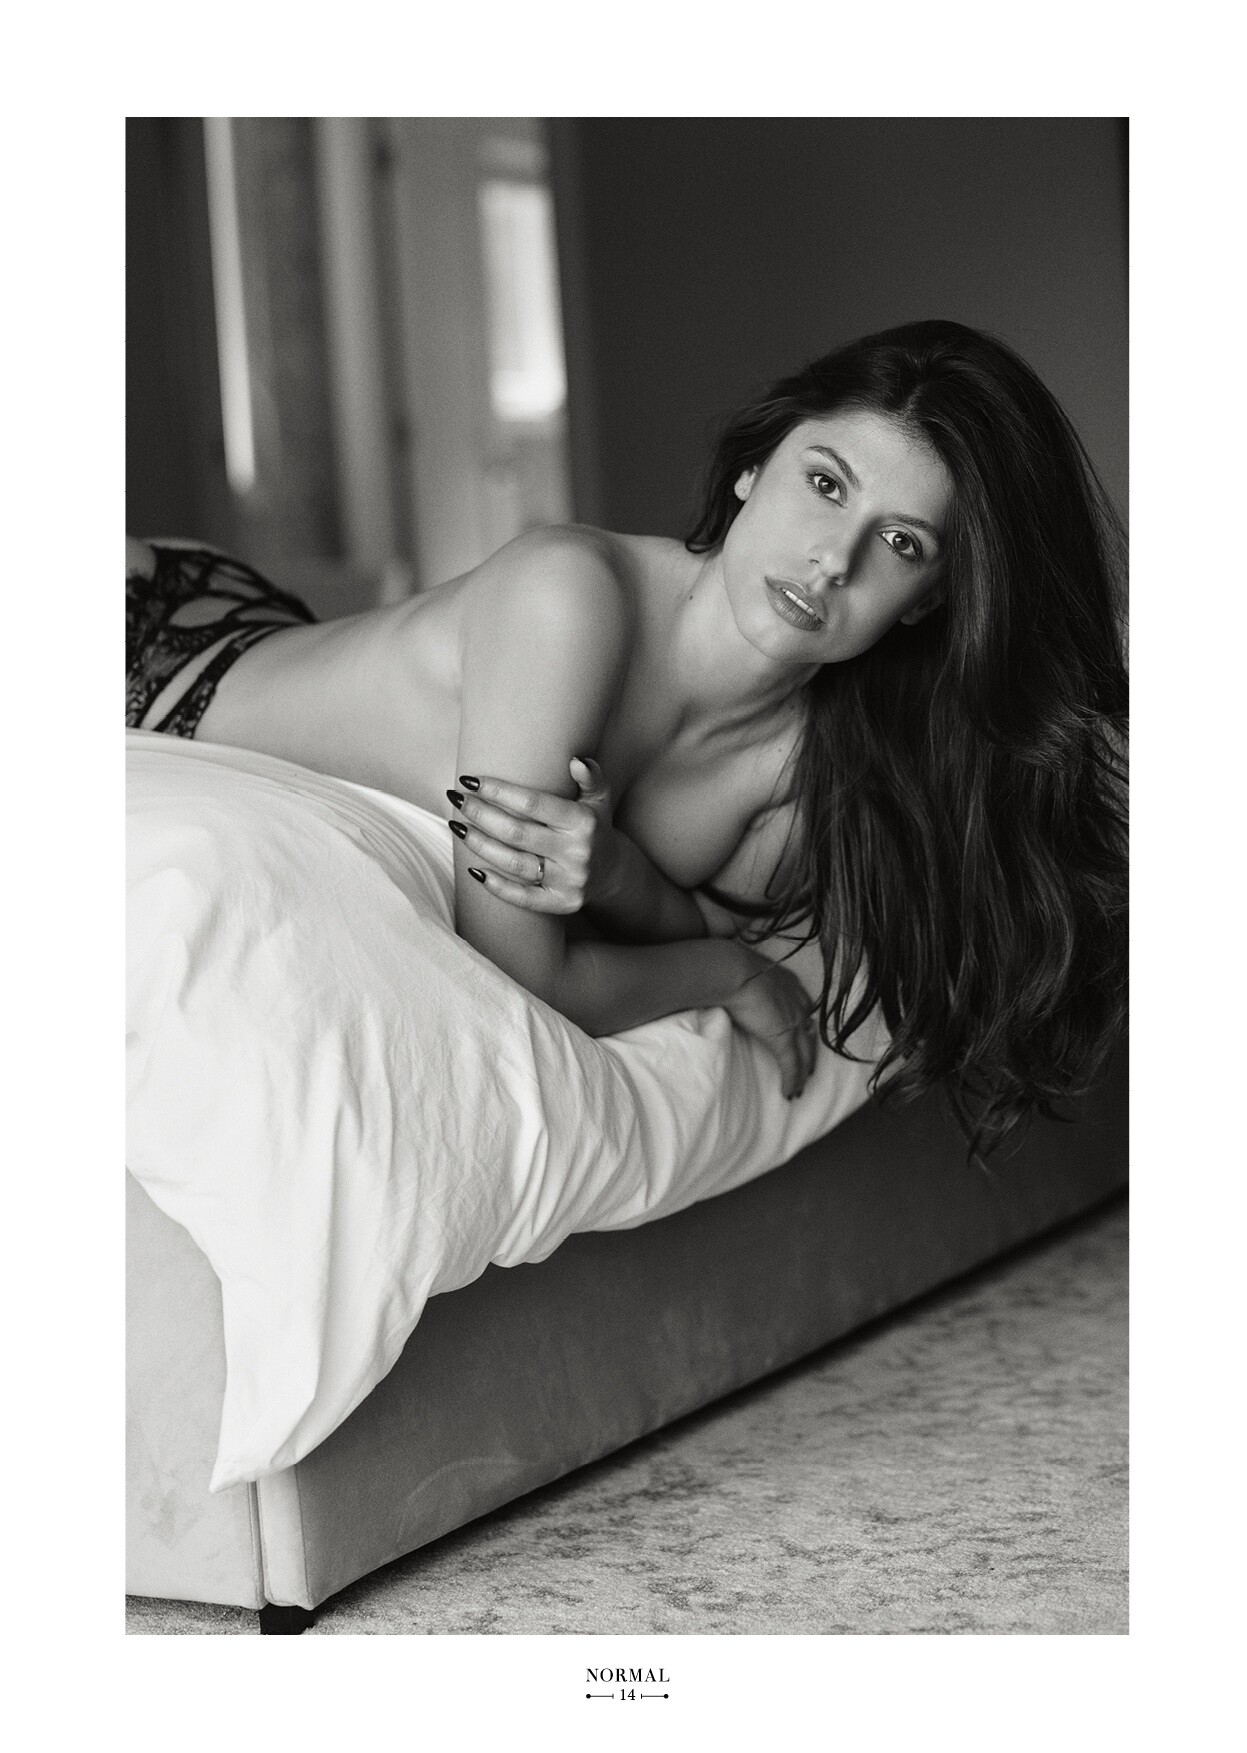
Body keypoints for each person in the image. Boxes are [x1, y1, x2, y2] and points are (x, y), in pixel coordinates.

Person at [126, 320, 1128, 1152]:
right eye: (824, 484)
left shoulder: (803, 767)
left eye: (901, 542)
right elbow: (527, 970)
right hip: (159, 659)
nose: (832, 559)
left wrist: (614, 874)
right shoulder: (568, 597)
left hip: (272, 629)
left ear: (928, 601)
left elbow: (686, 920)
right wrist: (733, 976)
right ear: (752, 469)